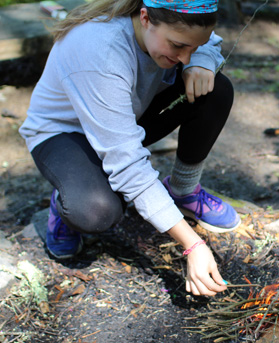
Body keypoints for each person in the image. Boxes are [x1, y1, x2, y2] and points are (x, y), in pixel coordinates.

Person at [19, 0, 241, 296]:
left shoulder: (174, 34)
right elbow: (128, 164)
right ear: (146, 18)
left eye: (191, 48)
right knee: (97, 211)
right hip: (64, 134)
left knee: (215, 90)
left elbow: (207, 44)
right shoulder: (101, 50)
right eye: (177, 46)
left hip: (122, 119)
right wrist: (193, 244)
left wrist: (202, 63)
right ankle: (65, 199)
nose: (184, 57)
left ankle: (182, 190)